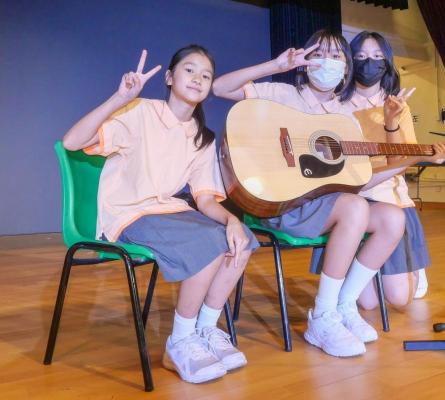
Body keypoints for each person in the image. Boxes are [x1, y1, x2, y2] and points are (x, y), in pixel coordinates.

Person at [62, 45, 259, 383]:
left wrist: (233, 221)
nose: (197, 78)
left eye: (206, 75)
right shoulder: (139, 111)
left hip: (169, 212)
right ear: (169, 77)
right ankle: (180, 340)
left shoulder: (203, 138)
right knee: (206, 244)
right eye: (189, 70)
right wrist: (120, 98)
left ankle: (205, 329)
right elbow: (71, 141)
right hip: (129, 214)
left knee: (241, 239)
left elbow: (205, 200)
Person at [213, 29, 407, 357]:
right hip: (282, 203)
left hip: (325, 205)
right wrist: (276, 66)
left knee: (392, 217)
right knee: (355, 207)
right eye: (319, 54)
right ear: (305, 61)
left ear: (346, 68)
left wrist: (409, 161)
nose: (327, 62)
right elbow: (220, 87)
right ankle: (323, 316)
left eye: (336, 56)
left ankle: (344, 305)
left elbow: (356, 180)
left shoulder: (346, 119)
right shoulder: (280, 94)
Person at [340, 31, 445, 309]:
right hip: (352, 198)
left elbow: (398, 163)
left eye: (377, 56)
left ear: (387, 62)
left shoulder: (398, 105)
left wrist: (391, 122)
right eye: (361, 56)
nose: (369, 62)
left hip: (389, 198)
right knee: (369, 304)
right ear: (350, 61)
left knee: (400, 299)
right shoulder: (336, 104)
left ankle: (411, 266)